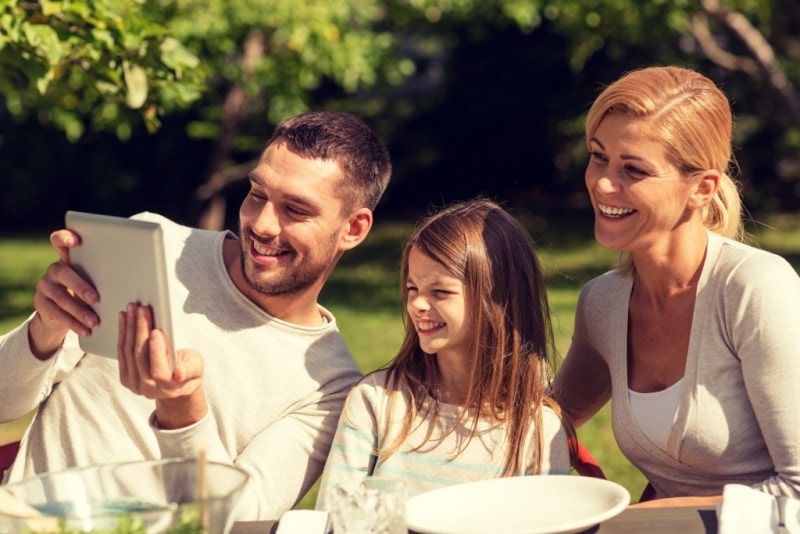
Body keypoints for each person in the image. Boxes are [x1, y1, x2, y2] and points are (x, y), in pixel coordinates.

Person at [0, 110, 392, 520]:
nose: (261, 224)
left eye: (295, 209)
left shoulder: (330, 388)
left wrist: (181, 408)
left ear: (354, 229)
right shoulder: (153, 245)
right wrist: (45, 330)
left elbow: (238, 515)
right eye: (257, 194)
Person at [551, 66, 800, 503]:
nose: (603, 183)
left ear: (702, 189)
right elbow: (549, 419)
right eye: (598, 156)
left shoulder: (755, 290)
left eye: (634, 169)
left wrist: (652, 522)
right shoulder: (603, 303)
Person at [315, 198, 573, 510]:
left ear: (499, 303)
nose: (418, 305)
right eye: (413, 289)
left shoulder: (539, 428)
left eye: (440, 292)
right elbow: (334, 518)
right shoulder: (376, 401)